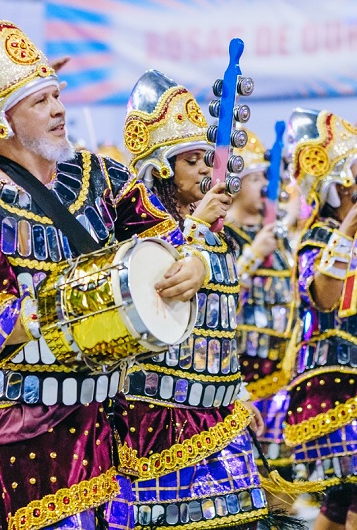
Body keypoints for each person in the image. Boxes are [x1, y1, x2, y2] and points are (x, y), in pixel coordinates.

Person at [0, 10, 207, 529]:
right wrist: (87, 304)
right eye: (40, 101)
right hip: (31, 435)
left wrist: (195, 264)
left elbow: (168, 237)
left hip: (115, 420)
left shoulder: (103, 175)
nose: (59, 108)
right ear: (2, 120)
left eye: (56, 94)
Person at [110, 70, 271, 529]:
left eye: (208, 159)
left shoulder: (213, 233)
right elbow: (158, 286)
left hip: (219, 413)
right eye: (192, 160)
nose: (205, 170)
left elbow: (217, 326)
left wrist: (237, 392)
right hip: (157, 418)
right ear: (163, 167)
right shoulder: (135, 223)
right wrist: (195, 230)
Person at [285, 108, 357, 530]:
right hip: (341, 386)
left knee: (345, 497)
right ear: (341, 183)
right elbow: (324, 297)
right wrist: (345, 236)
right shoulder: (319, 236)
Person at [224, 130, 295, 474]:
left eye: (265, 179)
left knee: (280, 465)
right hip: (243, 365)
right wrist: (253, 255)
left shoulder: (279, 236)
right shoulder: (226, 235)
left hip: (280, 367)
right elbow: (221, 290)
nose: (264, 187)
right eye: (254, 179)